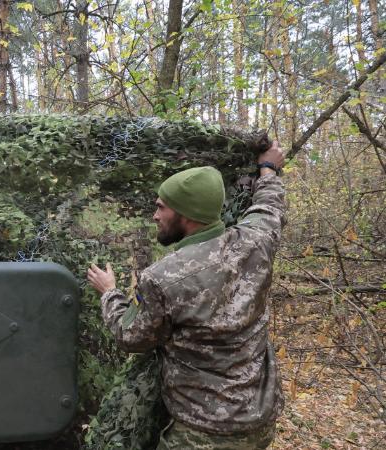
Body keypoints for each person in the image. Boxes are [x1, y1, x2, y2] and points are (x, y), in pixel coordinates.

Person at [86, 142, 287, 449]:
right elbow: (270, 206)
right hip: (259, 422)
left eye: (161, 207)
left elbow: (131, 337)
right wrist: (268, 169)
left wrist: (109, 293)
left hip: (201, 433)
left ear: (187, 215)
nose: (155, 216)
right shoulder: (256, 242)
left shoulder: (163, 278)